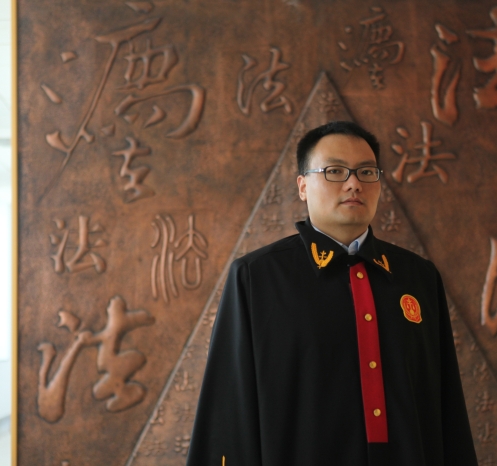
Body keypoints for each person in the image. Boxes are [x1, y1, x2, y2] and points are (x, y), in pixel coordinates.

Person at [186, 121, 477, 466]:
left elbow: (447, 407)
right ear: (302, 186)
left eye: (366, 172)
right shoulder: (256, 278)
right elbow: (228, 408)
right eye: (335, 171)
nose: (354, 184)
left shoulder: (419, 277)